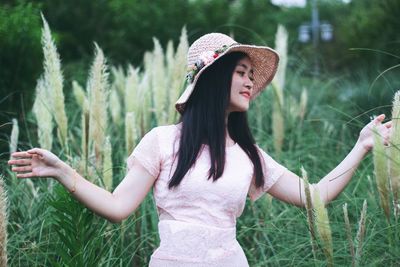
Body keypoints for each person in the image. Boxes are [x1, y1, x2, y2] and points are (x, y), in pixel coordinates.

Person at [8, 33, 392, 266]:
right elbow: (117, 208)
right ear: (212, 80)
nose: (249, 82)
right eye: (240, 72)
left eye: (250, 75)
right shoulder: (162, 141)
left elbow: (315, 197)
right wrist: (63, 172)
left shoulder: (249, 154)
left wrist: (361, 146)